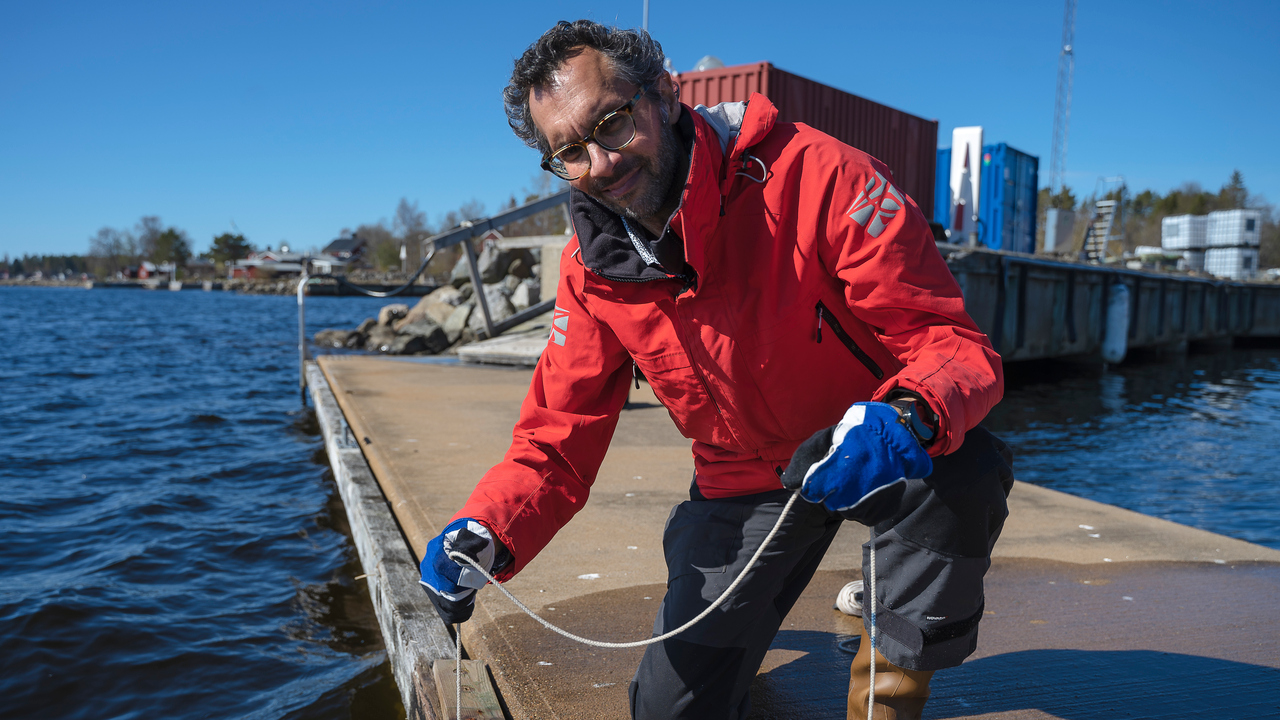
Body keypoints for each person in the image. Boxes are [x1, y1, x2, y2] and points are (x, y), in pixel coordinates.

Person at [420, 20, 1013, 720]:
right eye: (571, 151)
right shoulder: (590, 272)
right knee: (670, 709)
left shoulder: (826, 177)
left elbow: (953, 345)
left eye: (611, 123)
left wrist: (907, 414)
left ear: (665, 95)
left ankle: (889, 688)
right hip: (744, 483)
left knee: (965, 475)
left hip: (877, 447)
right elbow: (556, 443)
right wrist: (486, 531)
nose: (602, 163)